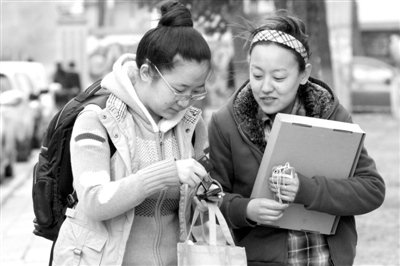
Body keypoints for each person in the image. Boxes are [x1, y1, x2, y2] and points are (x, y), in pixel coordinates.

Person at [208, 10, 385, 266]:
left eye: (279, 77)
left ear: (304, 74)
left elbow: (372, 189)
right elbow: (211, 197)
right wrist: (245, 209)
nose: (266, 87)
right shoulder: (226, 123)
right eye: (257, 75)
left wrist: (306, 189)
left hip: (327, 259)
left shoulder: (331, 115)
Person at [51, 1, 213, 265]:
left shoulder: (192, 126)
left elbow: (197, 206)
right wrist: (166, 173)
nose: (186, 101)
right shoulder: (98, 120)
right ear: (147, 72)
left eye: (196, 91)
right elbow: (94, 201)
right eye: (179, 89)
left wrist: (207, 192)